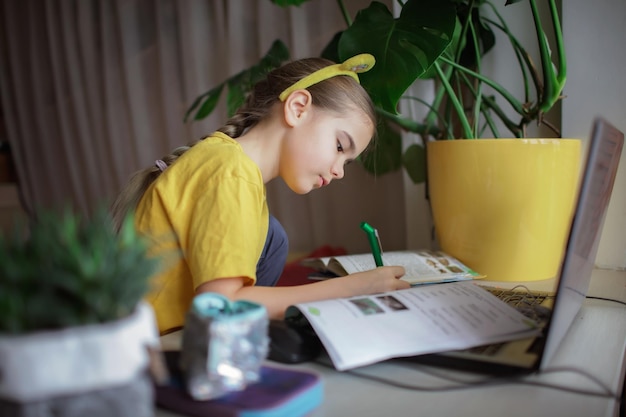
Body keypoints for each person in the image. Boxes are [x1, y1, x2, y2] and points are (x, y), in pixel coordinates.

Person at [111, 53, 410, 335]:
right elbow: (219, 307)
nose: (339, 171)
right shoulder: (230, 172)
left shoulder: (231, 167)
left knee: (273, 237)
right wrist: (354, 287)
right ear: (297, 108)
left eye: (347, 161)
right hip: (155, 354)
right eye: (340, 147)